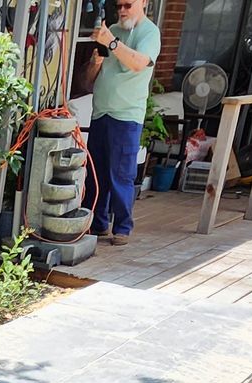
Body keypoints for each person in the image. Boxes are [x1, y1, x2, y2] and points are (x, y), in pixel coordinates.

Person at [83, 0, 160, 244]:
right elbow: (87, 81)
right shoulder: (113, 30)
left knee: (122, 175)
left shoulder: (150, 32)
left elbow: (139, 63)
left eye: (128, 4)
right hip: (100, 113)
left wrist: (112, 43)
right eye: (119, 6)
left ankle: (123, 228)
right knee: (96, 175)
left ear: (144, 2)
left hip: (127, 116)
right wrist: (95, 63)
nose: (122, 10)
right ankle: (98, 224)